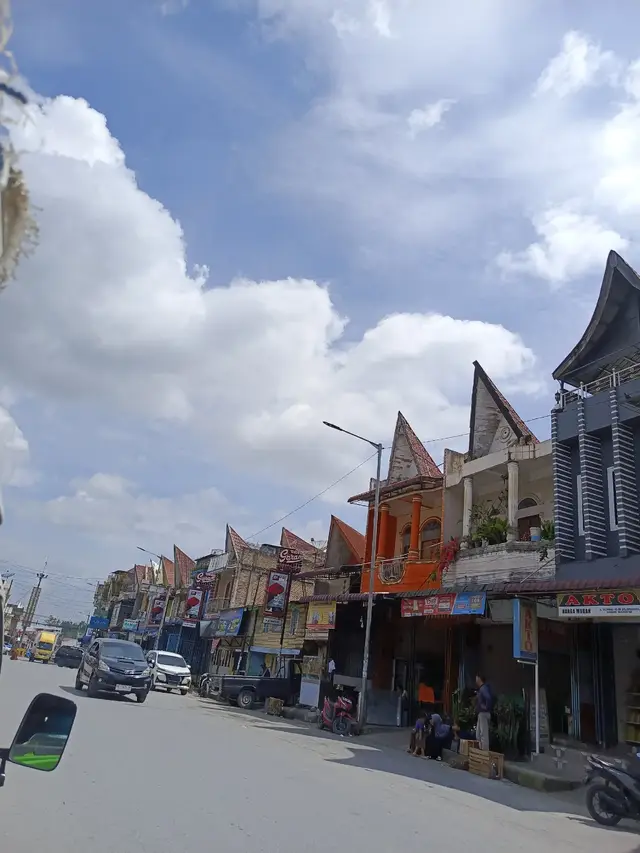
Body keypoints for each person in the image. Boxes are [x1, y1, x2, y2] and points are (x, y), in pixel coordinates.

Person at [475, 673, 494, 751]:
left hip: (484, 713)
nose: (475, 680)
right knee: (478, 734)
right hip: (481, 713)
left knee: (483, 734)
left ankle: (485, 752)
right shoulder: (482, 689)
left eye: (476, 678)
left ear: (479, 679)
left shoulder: (483, 688)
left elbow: (488, 698)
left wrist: (485, 707)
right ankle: (481, 751)